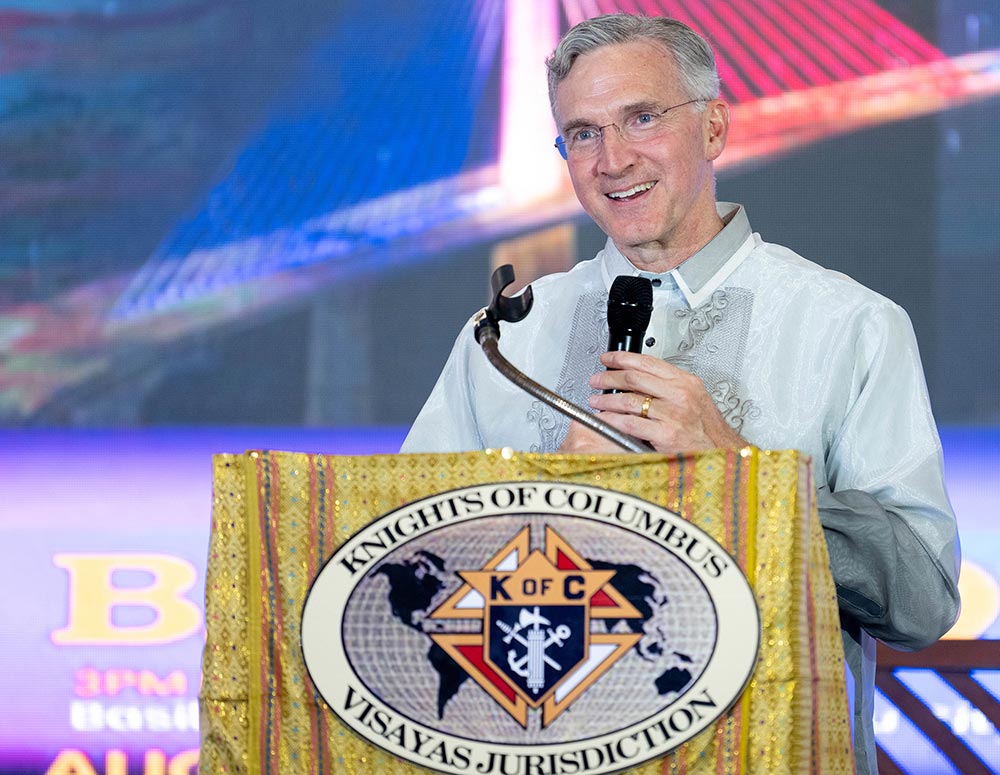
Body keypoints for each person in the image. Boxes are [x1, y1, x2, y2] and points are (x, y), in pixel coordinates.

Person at [401, 13, 960, 774]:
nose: (614, 159)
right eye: (584, 134)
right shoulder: (503, 339)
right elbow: (401, 577)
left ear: (716, 126)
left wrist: (741, 473)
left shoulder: (851, 325)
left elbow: (922, 602)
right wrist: (539, 496)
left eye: (641, 117)